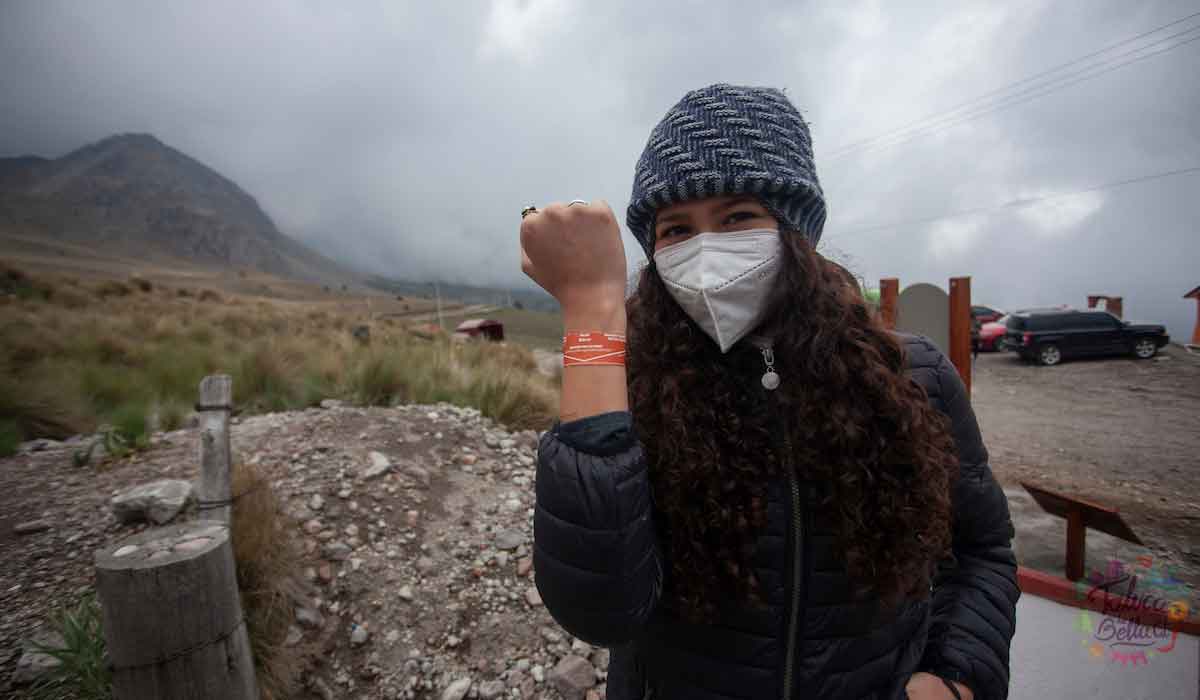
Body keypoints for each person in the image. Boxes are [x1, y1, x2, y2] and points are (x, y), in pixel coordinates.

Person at [519, 84, 1018, 700]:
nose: (705, 252)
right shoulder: (629, 384)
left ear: (795, 230)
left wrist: (957, 675)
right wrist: (591, 319)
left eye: (737, 218)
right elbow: (600, 612)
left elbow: (981, 550)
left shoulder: (912, 376)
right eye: (676, 229)